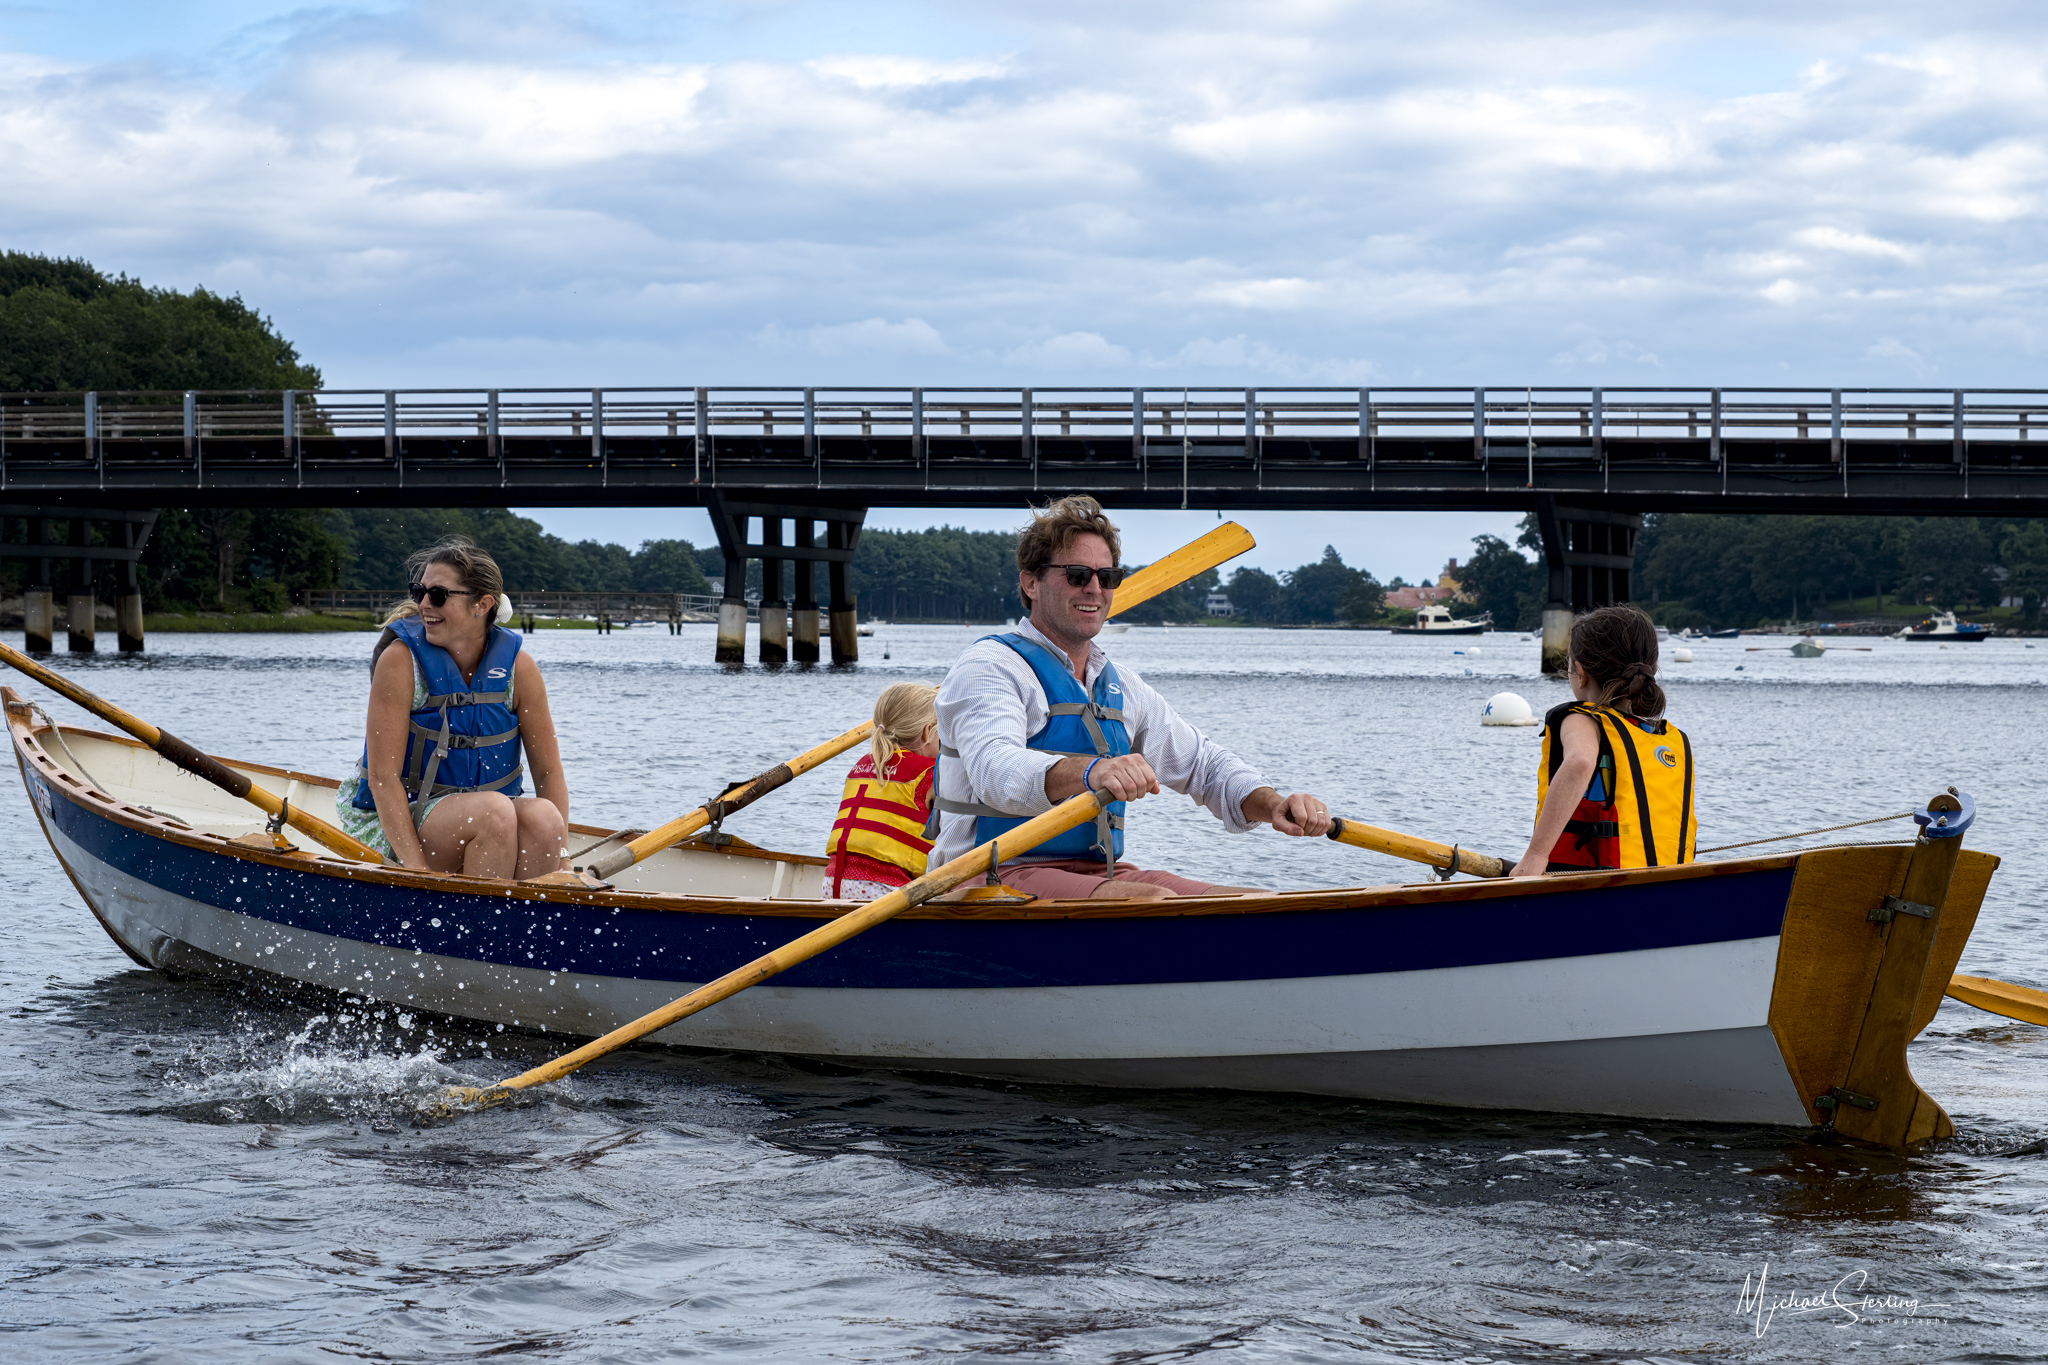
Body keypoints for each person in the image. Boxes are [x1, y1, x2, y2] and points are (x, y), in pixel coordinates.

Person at [930, 495, 1332, 901]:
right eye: (1076, 574)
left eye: (1107, 577)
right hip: (985, 875)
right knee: (1152, 903)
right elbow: (996, 772)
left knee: (1251, 902)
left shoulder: (1121, 685)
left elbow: (1204, 766)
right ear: (1030, 582)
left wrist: (1273, 803)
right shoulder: (988, 667)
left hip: (1094, 874)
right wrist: (1093, 772)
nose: (1094, 589)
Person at [335, 536, 570, 879]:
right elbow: (383, 779)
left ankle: (515, 926)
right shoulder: (400, 662)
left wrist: (564, 863)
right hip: (402, 820)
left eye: (439, 595)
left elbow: (549, 773)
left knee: (545, 818)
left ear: (482, 604)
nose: (424, 605)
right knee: (493, 813)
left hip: (488, 815)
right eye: (420, 592)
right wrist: (415, 869)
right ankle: (476, 925)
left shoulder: (519, 670)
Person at [1509, 603, 1696, 876]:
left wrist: (1536, 856)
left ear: (1580, 673)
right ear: (1653, 667)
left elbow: (1581, 762)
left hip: (1594, 886)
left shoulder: (1583, 719)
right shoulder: (1667, 738)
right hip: (1664, 883)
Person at [822, 683, 939, 900]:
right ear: (926, 733)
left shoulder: (861, 766)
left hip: (832, 885)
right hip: (883, 891)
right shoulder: (930, 774)